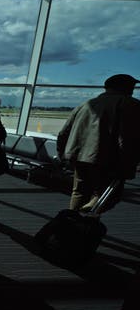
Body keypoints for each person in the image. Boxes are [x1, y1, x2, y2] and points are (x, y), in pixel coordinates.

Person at [57, 74, 140, 212]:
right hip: (107, 159)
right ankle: (88, 214)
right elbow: (127, 138)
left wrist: (62, 154)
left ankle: (72, 221)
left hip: (79, 157)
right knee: (107, 195)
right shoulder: (131, 105)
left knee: (79, 192)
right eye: (132, 86)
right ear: (126, 87)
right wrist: (127, 165)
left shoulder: (86, 104)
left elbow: (63, 132)